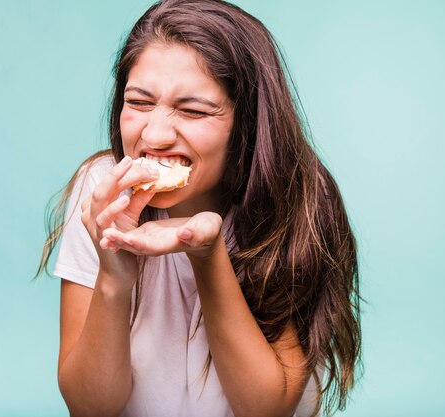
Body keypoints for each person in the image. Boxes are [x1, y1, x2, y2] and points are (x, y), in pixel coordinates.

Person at [36, 1, 362, 416]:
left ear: (248, 123)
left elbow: (265, 409)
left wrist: (207, 254)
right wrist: (114, 279)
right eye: (138, 102)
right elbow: (89, 408)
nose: (155, 134)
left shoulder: (299, 201)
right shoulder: (102, 192)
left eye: (192, 110)